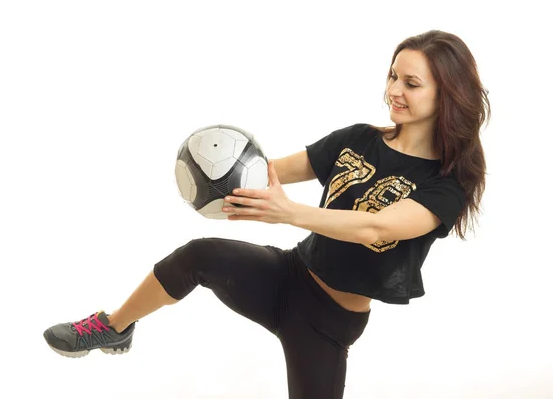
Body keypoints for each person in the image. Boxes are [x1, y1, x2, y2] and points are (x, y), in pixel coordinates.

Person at [43, 29, 490, 398]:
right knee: (199, 255)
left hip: (329, 321)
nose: (394, 90)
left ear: (448, 92)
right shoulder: (359, 138)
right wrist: (216, 174)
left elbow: (378, 227)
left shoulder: (450, 181)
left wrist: (288, 213)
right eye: (393, 76)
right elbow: (268, 171)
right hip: (288, 275)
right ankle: (114, 327)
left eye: (411, 84)